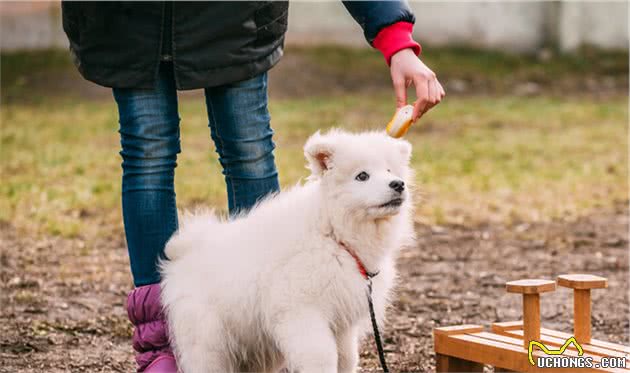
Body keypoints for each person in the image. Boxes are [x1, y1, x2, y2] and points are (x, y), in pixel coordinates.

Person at [61, 2, 444, 372]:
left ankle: (276, 332)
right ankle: (160, 338)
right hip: (127, 19)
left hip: (232, 19)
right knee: (148, 156)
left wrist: (394, 36)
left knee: (249, 153)